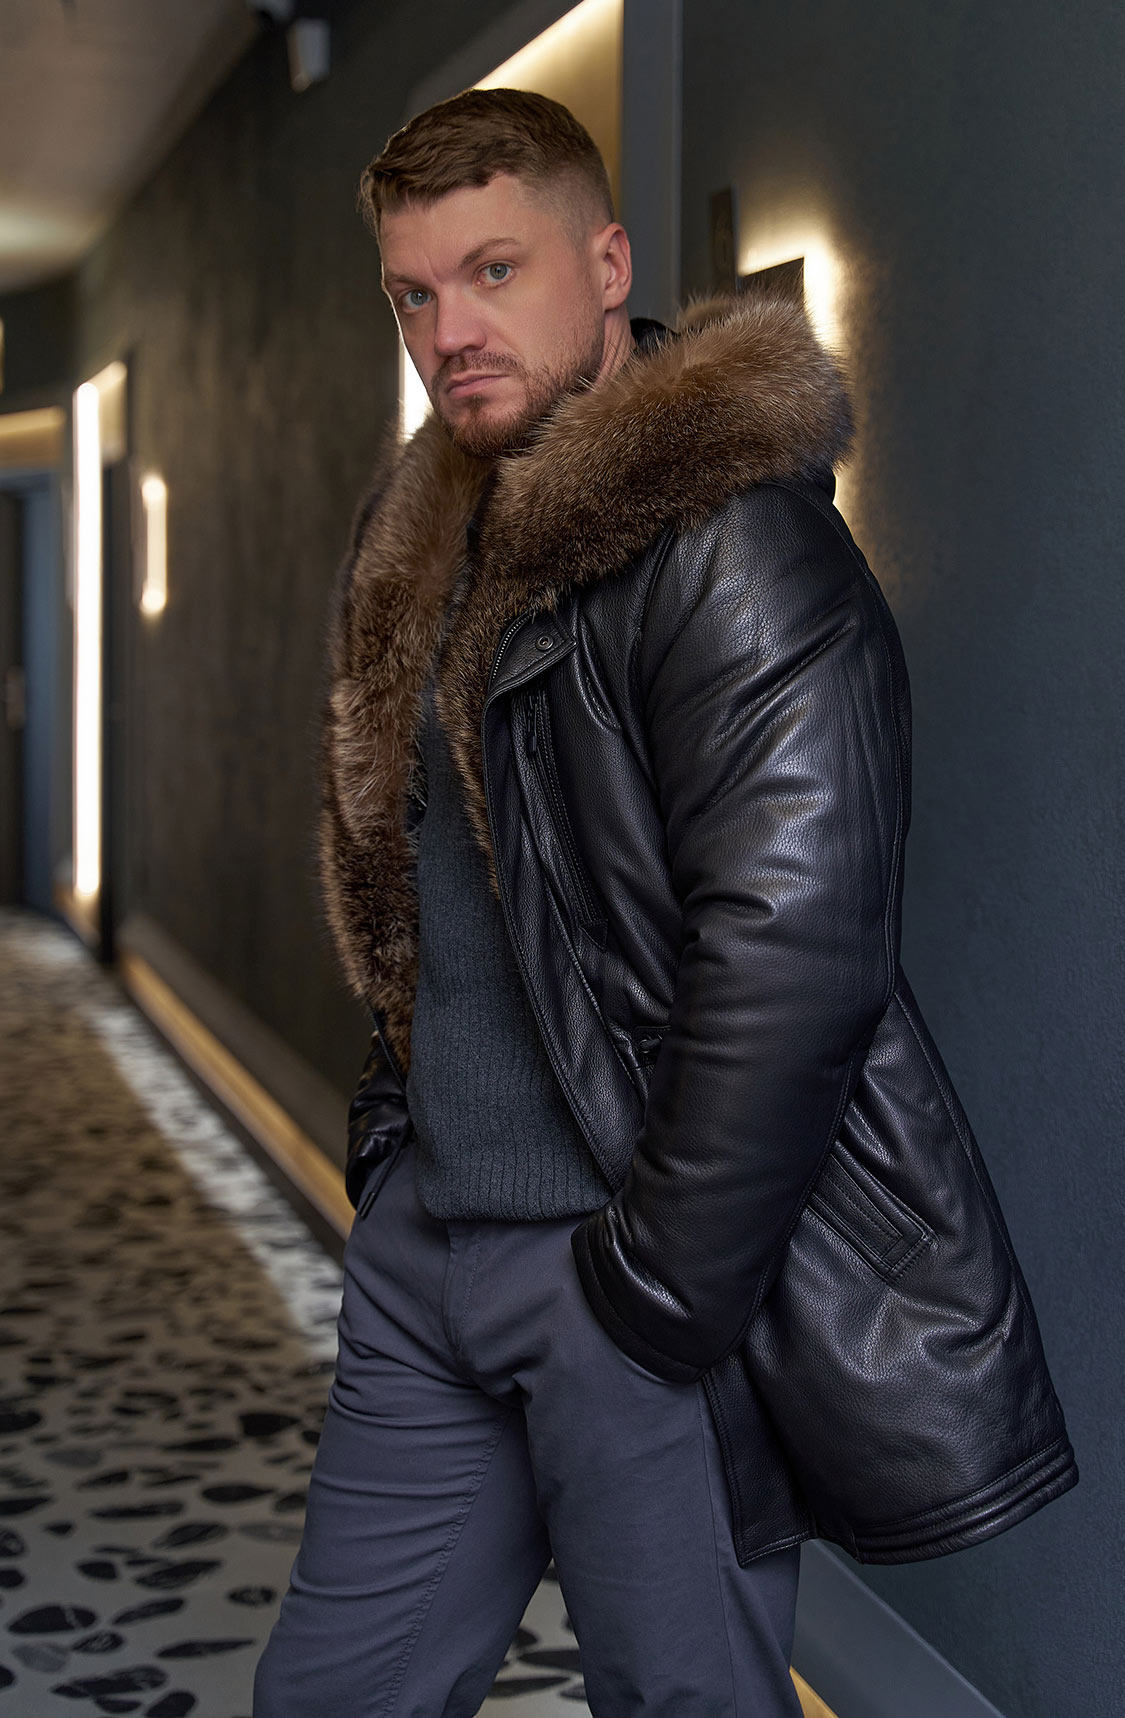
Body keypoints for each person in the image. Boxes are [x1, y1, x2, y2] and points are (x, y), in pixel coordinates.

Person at [254, 87, 1075, 1718]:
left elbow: (794, 955)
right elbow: (427, 882)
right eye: (413, 293)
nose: (448, 331)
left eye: (494, 271)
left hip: (626, 1276)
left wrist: (656, 1290)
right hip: (433, 1242)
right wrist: (396, 1152)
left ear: (609, 263)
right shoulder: (429, 538)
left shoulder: (735, 551)